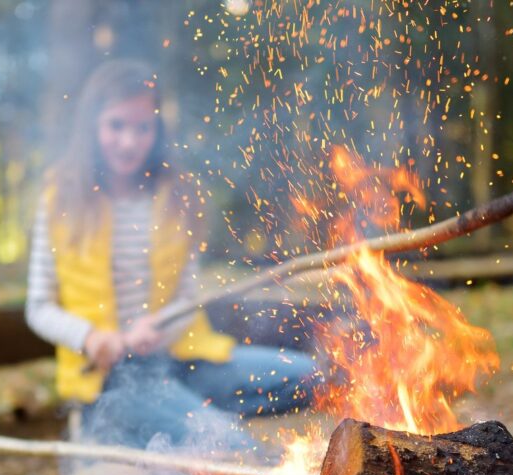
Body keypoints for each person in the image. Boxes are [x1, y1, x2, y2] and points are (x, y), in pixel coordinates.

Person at [26, 59, 321, 453]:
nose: (129, 141)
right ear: (92, 126)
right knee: (228, 444)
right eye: (116, 125)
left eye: (142, 127)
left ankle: (185, 418)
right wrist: (91, 337)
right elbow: (39, 307)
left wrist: (161, 330)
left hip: (185, 361)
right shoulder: (60, 198)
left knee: (314, 377)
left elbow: (186, 295)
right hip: (111, 379)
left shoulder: (179, 195)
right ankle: (182, 424)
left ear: (157, 129)